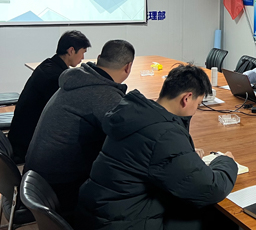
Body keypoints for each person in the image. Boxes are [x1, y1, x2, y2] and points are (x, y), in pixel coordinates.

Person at [77, 64, 238, 230]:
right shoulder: (164, 135)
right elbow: (211, 188)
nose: (195, 110)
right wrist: (225, 162)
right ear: (187, 98)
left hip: (100, 212)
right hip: (123, 222)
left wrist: (185, 157)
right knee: (219, 219)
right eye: (198, 104)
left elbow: (152, 157)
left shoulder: (137, 114)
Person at [24, 39, 134, 218]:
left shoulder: (77, 80)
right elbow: (130, 138)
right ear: (128, 67)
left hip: (37, 180)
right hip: (58, 187)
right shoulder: (105, 95)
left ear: (99, 58)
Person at [9, 30, 91, 163]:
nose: (82, 58)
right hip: (28, 143)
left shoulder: (49, 64)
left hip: (20, 134)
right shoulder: (56, 77)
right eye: (82, 52)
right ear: (71, 51)